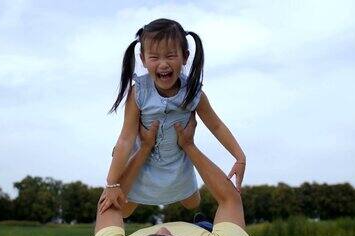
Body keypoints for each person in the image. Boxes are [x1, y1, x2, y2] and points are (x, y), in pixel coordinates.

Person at [88, 113, 256, 236]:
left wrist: (144, 148)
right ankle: (205, 225)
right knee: (210, 225)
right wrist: (189, 146)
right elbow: (229, 199)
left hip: (151, 162)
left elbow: (111, 200)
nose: (164, 228)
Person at [99, 18, 246, 217]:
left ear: (185, 57)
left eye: (170, 55)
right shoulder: (139, 93)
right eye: (154, 57)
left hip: (176, 160)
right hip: (144, 162)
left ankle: (201, 220)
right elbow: (125, 138)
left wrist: (239, 157)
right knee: (122, 210)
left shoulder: (193, 93)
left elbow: (217, 125)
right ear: (142, 59)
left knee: (192, 203)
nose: (163, 64)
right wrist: (112, 182)